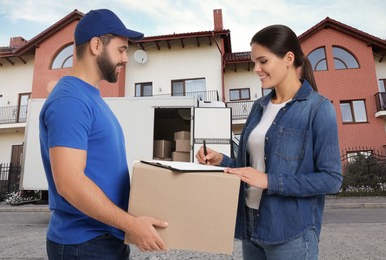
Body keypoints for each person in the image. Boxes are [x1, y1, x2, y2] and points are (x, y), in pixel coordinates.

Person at [196, 24, 342, 260]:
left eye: (262, 61)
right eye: (255, 62)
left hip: (292, 233)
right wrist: (220, 160)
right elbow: (254, 170)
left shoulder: (318, 109)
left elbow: (332, 180)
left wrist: (270, 182)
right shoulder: (258, 107)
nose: (256, 69)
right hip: (252, 228)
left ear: (289, 58)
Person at [39, 9, 168, 259]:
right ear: (96, 45)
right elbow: (69, 183)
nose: (126, 59)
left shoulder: (87, 97)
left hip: (103, 238)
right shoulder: (71, 100)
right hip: (84, 244)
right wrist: (131, 224)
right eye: (121, 49)